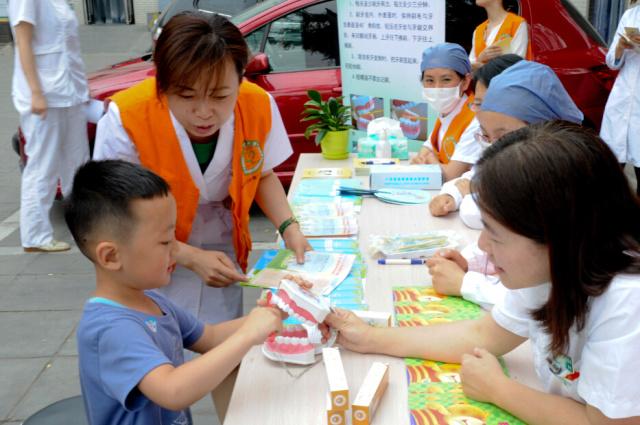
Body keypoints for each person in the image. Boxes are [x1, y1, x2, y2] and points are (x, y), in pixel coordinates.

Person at [328, 121, 640, 424]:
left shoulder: (627, 302)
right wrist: (370, 337)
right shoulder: (552, 269)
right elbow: (483, 335)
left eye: (495, 233)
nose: (481, 244)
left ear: (556, 236)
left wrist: (499, 389)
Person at [93, 12, 311, 325]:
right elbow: (113, 211)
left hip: (222, 245)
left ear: (240, 79)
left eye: (221, 96)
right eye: (186, 96)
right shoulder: (127, 117)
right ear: (161, 84)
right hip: (145, 251)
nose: (204, 112)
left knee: (219, 341)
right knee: (159, 341)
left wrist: (290, 227)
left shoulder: (257, 104)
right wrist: (189, 256)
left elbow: (262, 174)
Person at [66, 160, 284, 425]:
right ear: (111, 256)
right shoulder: (111, 329)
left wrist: (274, 311)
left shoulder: (152, 301)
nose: (176, 250)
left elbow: (211, 337)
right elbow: (172, 390)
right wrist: (251, 334)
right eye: (165, 241)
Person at [427, 60, 583, 308]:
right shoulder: (526, 171)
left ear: (545, 129)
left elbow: (542, 299)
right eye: (486, 136)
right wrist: (471, 263)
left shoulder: (565, 189)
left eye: (502, 137)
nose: (492, 147)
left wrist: (467, 284)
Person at [9, 0, 90, 252]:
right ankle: (35, 236)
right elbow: (23, 41)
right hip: (46, 93)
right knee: (43, 166)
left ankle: (85, 225)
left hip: (71, 92)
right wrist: (36, 92)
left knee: (78, 164)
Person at [411, 43, 482, 182]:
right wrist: (431, 159)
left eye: (446, 80)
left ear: (465, 82)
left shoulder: (475, 118)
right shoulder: (448, 110)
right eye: (429, 80)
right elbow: (426, 148)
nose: (437, 87)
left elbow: (450, 175)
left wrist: (431, 158)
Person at [599, 1, 640, 196]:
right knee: (611, 169)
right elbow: (612, 62)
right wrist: (621, 47)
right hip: (622, 98)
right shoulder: (630, 16)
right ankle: (610, 222)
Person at [469, 0, 532, 70]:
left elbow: (517, 65)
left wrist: (482, 65)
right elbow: (469, 68)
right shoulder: (478, 30)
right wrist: (480, 58)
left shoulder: (517, 24)